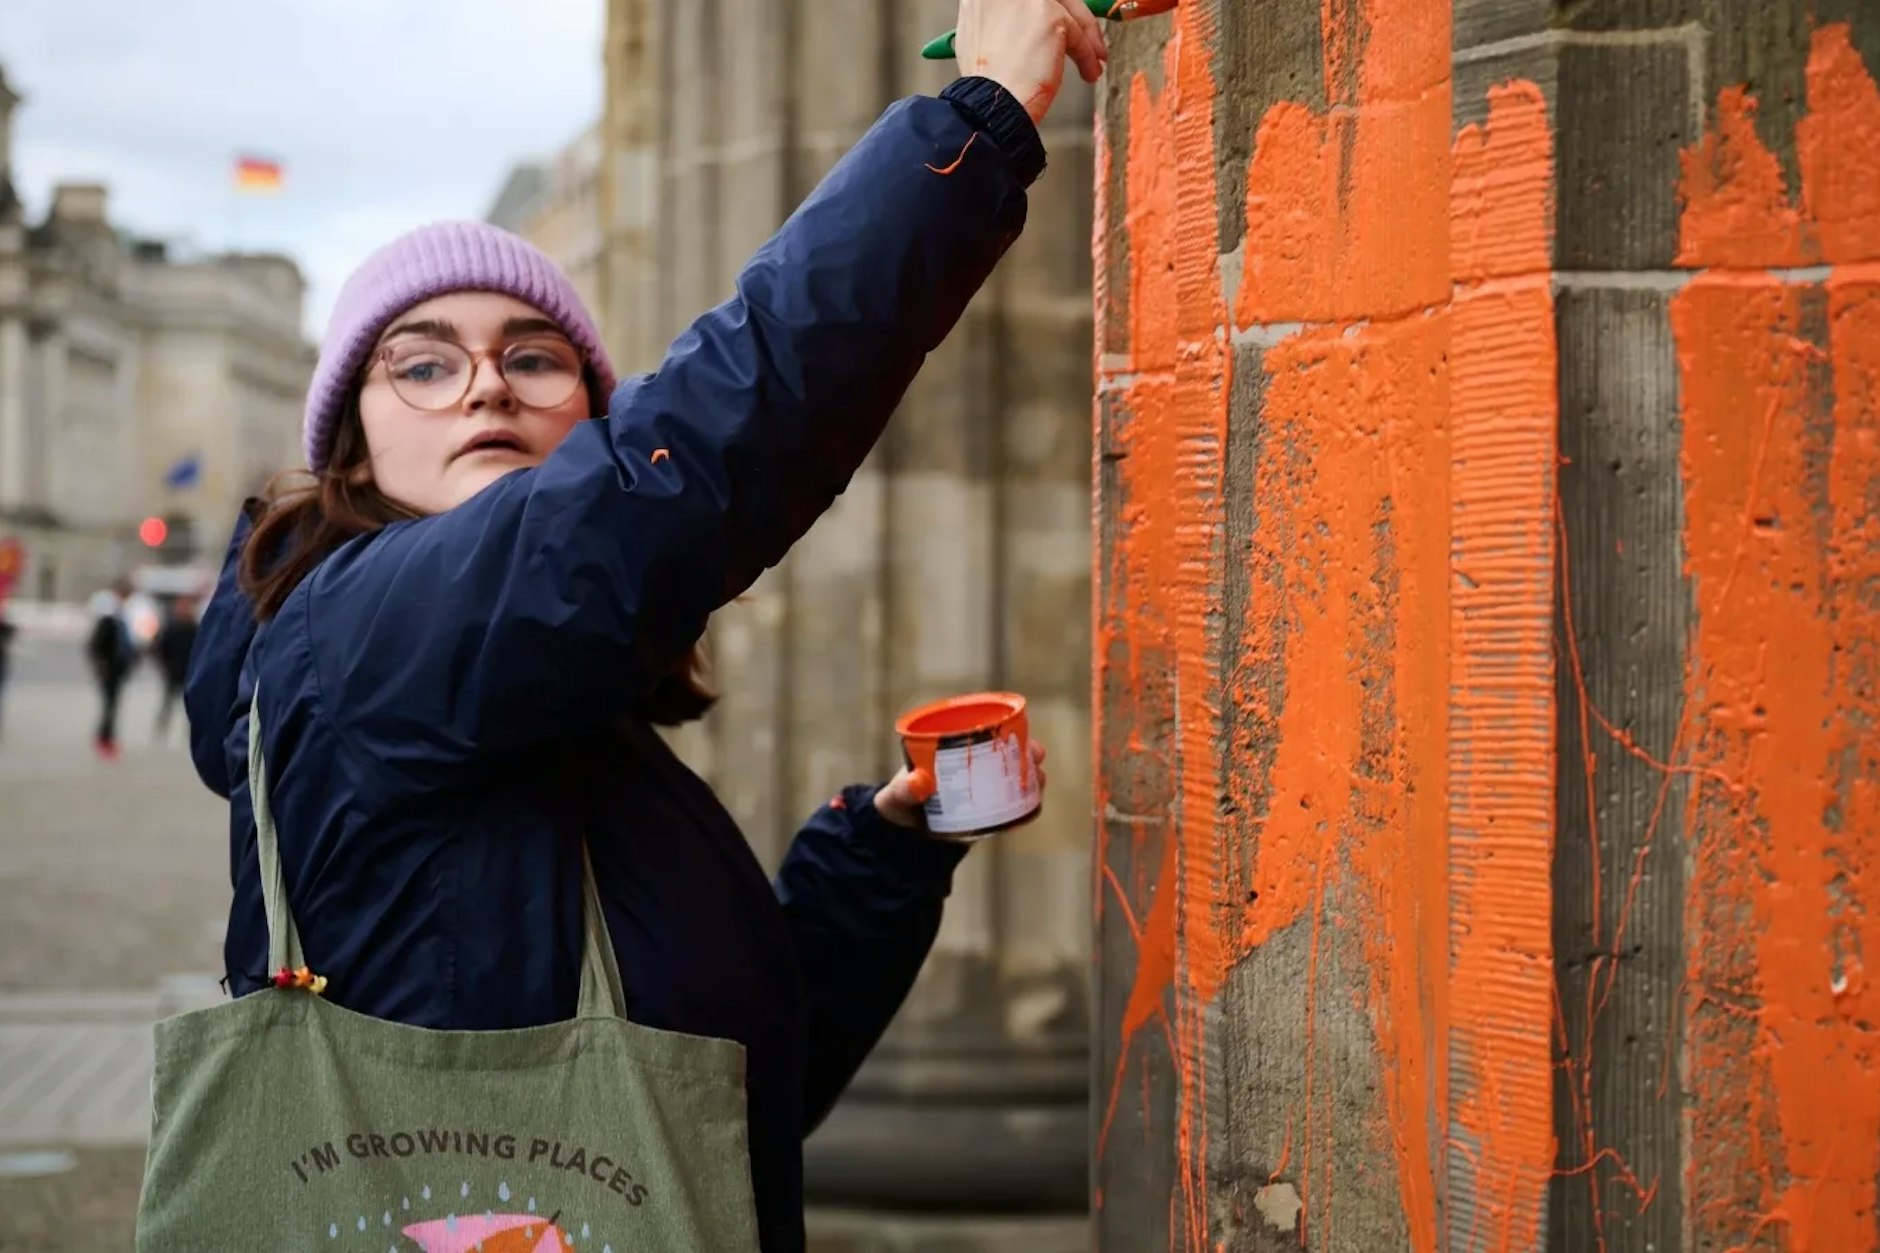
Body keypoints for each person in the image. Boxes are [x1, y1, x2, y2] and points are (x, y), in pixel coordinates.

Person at [179, 5, 1100, 1249]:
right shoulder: (355, 634)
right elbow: (687, 463)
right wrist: (972, 123)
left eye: (534, 356)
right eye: (423, 362)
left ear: (581, 417)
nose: (488, 382)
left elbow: (724, 1097)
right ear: (350, 444)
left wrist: (879, 852)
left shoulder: (581, 728)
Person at [85, 577, 137, 759]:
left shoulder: (121, 615)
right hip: (110, 669)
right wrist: (100, 664)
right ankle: (104, 738)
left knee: (112, 704)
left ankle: (107, 737)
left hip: (118, 668)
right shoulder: (109, 617)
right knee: (109, 705)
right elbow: (96, 644)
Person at [152, 596, 198, 739]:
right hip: (173, 670)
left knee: (190, 704)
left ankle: (191, 730)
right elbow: (160, 647)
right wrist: (165, 665)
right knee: (168, 702)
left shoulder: (194, 627)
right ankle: (162, 727)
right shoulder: (171, 627)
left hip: (188, 670)